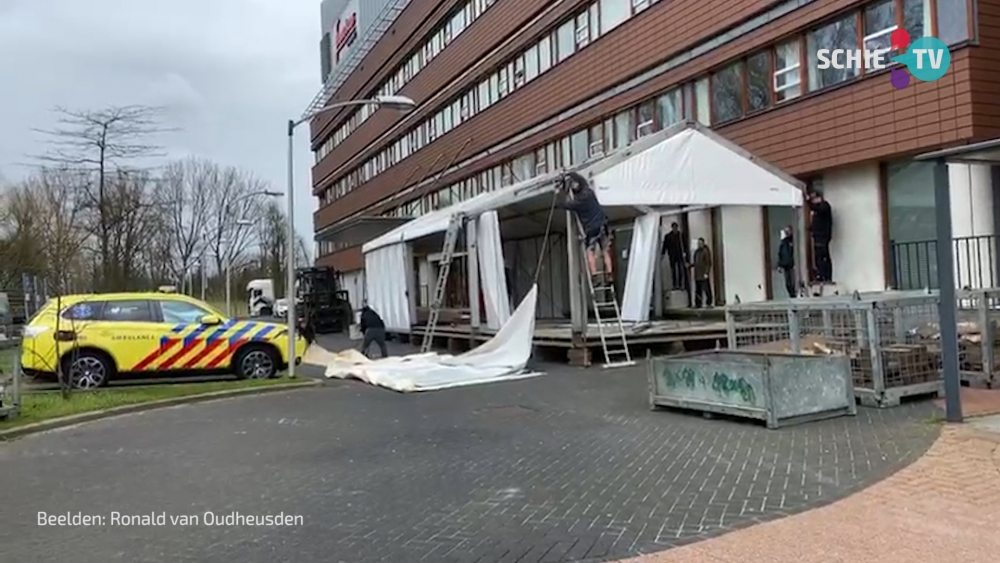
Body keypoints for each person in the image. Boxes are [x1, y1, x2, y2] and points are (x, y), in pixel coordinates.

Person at [556, 171, 613, 278]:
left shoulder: (577, 203)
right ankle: (610, 273)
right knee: (605, 250)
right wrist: (570, 173)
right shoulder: (589, 192)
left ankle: (594, 274)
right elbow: (582, 180)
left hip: (591, 229)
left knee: (589, 251)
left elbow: (563, 204)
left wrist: (558, 192)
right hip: (602, 224)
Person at [809, 191, 833, 283]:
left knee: (823, 256)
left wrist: (808, 201)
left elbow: (818, 210)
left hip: (823, 236)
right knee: (818, 257)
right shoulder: (818, 210)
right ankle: (820, 274)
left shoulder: (824, 206)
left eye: (814, 198)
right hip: (818, 235)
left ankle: (826, 276)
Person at [661, 222, 688, 290]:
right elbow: (665, 245)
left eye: (676, 227)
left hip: (679, 254)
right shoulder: (668, 236)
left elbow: (685, 245)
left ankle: (680, 284)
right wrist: (663, 254)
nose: (675, 229)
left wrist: (685, 253)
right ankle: (674, 284)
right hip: (672, 255)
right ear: (672, 228)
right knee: (673, 270)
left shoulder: (680, 236)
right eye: (674, 227)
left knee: (680, 269)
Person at [691, 237, 713, 308]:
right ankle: (698, 303)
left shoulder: (705, 252)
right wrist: (690, 265)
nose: (699, 244)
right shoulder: (696, 252)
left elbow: (708, 263)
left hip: (703, 274)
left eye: (700, 243)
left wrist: (706, 273)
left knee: (706, 289)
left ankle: (709, 302)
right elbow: (696, 263)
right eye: (698, 243)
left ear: (703, 243)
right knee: (698, 290)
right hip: (697, 274)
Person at [777, 226, 797, 298]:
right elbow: (780, 254)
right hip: (786, 266)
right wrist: (780, 265)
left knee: (793, 284)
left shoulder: (793, 241)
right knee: (788, 285)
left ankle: (794, 298)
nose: (787, 233)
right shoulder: (783, 243)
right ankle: (792, 298)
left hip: (792, 266)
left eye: (788, 231)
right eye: (786, 231)